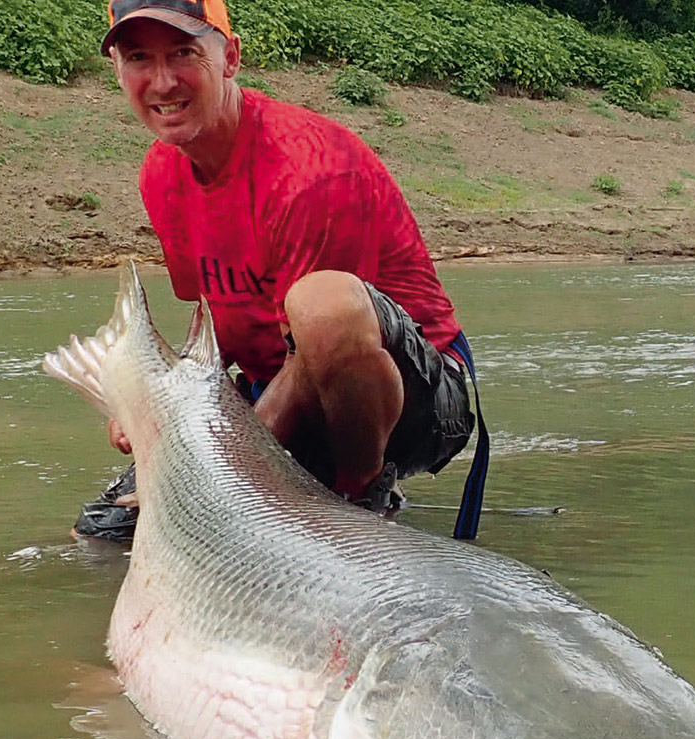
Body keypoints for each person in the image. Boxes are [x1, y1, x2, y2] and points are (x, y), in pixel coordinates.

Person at [73, 0, 484, 543]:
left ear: (231, 57)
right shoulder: (161, 173)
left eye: (183, 53)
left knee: (324, 305)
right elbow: (218, 324)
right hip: (279, 385)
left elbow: (320, 343)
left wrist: (219, 472)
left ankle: (360, 492)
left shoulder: (311, 169)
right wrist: (155, 412)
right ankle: (297, 483)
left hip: (419, 405)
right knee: (105, 534)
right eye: (139, 58)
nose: (164, 80)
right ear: (120, 72)